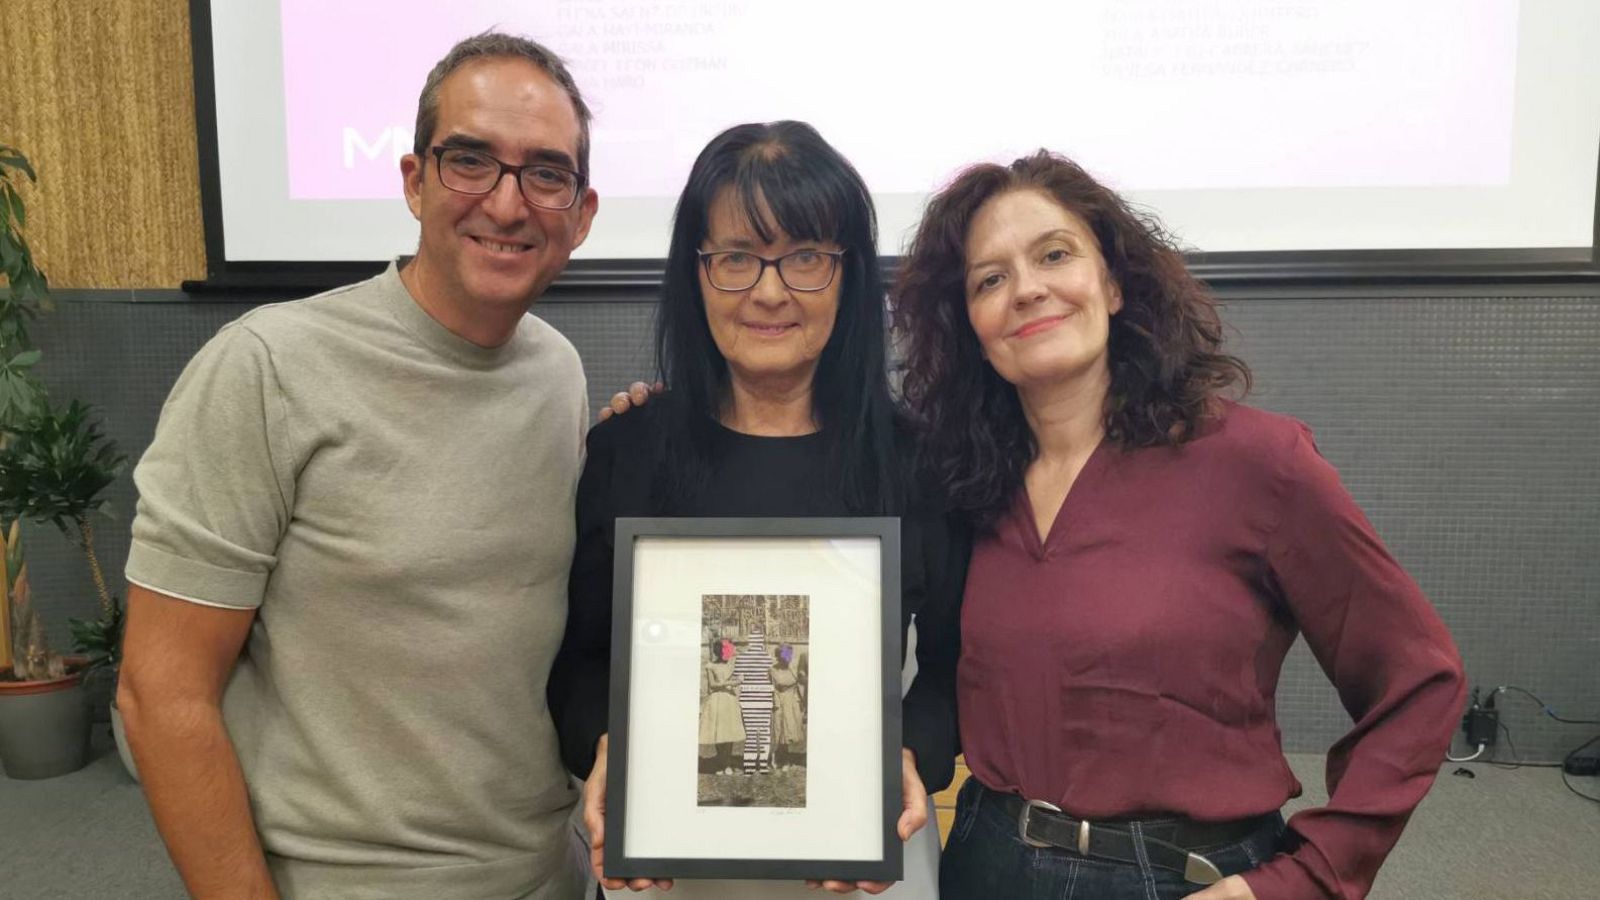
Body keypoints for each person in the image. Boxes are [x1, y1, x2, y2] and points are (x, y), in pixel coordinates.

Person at [890, 151, 1467, 900]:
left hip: (1184, 879)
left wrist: (1310, 877)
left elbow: (1420, 680)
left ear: (1114, 281)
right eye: (989, 280)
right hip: (987, 859)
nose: (1026, 290)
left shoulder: (1259, 462)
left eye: (1054, 255)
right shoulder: (970, 485)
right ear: (970, 324)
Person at [117, 32, 598, 900]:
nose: (507, 201)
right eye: (470, 161)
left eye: (545, 173)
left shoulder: (557, 371)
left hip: (544, 870)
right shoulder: (266, 367)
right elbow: (161, 695)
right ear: (414, 181)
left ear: (583, 211)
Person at [546, 120, 965, 898]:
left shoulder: (916, 462)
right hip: (670, 870)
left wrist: (907, 757)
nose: (769, 291)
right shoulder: (627, 451)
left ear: (848, 272)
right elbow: (578, 662)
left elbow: (950, 666)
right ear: (696, 271)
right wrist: (608, 748)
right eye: (737, 257)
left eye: (805, 257)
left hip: (862, 863)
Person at [700, 640, 746, 775]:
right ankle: (721, 763)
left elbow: (739, 678)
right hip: (717, 700)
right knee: (719, 731)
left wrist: (737, 681)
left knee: (729, 731)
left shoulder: (732, 665)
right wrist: (729, 683)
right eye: (727, 650)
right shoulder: (711, 666)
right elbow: (712, 685)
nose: (730, 653)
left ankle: (727, 763)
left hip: (729, 700)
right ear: (720, 652)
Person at [768, 644, 805, 770]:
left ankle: (785, 758)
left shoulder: (793, 669)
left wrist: (800, 701)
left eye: (789, 654)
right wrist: (775, 702)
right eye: (785, 655)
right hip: (779, 701)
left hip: (792, 701)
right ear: (779, 656)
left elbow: (799, 684)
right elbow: (771, 688)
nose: (788, 657)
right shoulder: (772, 670)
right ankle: (777, 756)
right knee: (779, 730)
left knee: (788, 731)